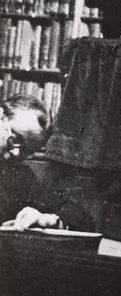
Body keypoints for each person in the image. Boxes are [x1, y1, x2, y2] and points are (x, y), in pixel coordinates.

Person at [0, 93, 93, 231]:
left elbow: (81, 219)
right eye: (16, 139)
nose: (16, 153)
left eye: (28, 150)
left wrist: (48, 220)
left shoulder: (19, 175)